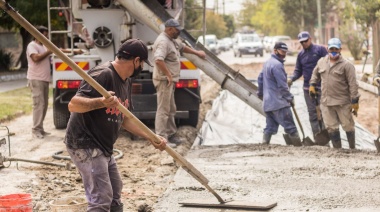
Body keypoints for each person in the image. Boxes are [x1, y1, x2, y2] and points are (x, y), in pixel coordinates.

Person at [64, 39, 167, 212]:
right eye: (142, 63)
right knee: (101, 198)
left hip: (103, 145)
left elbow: (125, 119)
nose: (142, 67)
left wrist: (152, 138)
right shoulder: (103, 74)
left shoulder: (125, 80)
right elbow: (73, 105)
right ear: (136, 61)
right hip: (85, 143)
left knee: (115, 193)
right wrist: (101, 102)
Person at [152, 18, 206, 147]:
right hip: (164, 80)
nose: (178, 33)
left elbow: (182, 47)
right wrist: (168, 74)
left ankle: (171, 134)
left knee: (171, 109)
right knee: (163, 110)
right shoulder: (163, 42)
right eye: (177, 30)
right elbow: (158, 60)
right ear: (169, 29)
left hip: (169, 81)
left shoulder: (171, 40)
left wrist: (197, 52)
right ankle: (161, 138)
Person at [309, 38, 360, 149]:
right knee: (331, 127)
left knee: (348, 126)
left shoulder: (347, 65)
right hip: (326, 102)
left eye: (336, 49)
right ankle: (338, 150)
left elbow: (353, 84)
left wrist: (355, 101)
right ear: (327, 49)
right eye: (331, 49)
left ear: (340, 50)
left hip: (342, 102)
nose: (333, 51)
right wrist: (312, 85)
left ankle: (352, 149)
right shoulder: (321, 62)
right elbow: (315, 74)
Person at [257, 42, 302, 146]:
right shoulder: (277, 65)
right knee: (291, 127)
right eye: (282, 51)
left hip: (268, 104)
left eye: (285, 52)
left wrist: (260, 93)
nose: (284, 54)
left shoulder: (267, 63)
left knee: (270, 127)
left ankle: (264, 145)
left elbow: (260, 79)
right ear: (275, 50)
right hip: (279, 103)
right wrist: (290, 98)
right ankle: (299, 148)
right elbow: (282, 86)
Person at [287, 31, 328, 140]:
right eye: (302, 42)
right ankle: (317, 137)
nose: (304, 43)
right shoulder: (301, 55)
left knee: (324, 113)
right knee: (313, 114)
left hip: (322, 86)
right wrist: (291, 79)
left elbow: (329, 65)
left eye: (306, 41)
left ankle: (326, 137)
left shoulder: (320, 50)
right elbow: (298, 71)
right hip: (307, 89)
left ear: (310, 39)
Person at [26, 25, 52, 139]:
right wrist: (49, 51)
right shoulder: (32, 45)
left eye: (47, 35)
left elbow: (55, 51)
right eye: (44, 35)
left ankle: (40, 129)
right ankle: (36, 130)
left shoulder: (44, 46)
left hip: (44, 79)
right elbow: (35, 58)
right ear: (37, 35)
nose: (46, 37)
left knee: (44, 105)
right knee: (38, 104)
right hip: (36, 79)